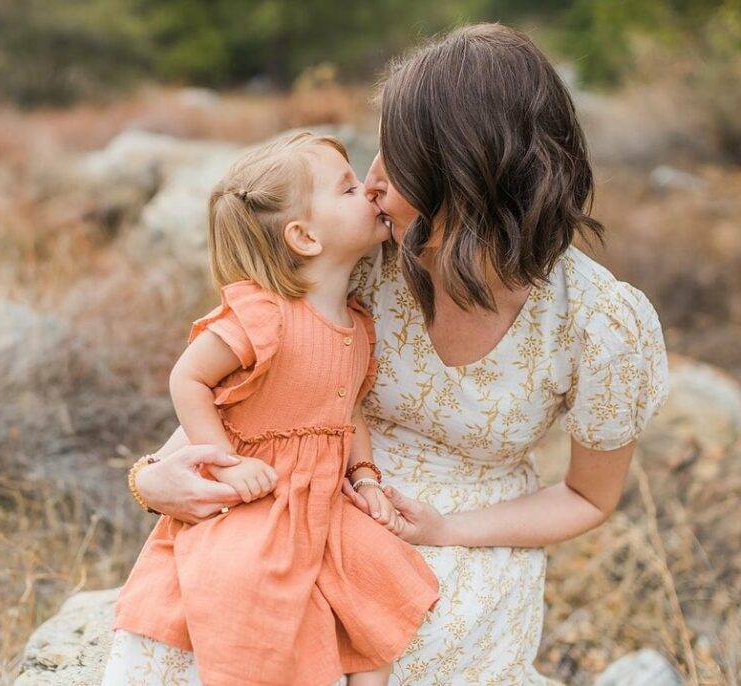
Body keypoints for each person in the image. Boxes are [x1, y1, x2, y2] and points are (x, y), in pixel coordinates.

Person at [111, 23, 671, 685]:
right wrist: (152, 479)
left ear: (464, 180)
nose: (372, 182)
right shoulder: (364, 260)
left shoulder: (604, 322)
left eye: (395, 162)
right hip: (304, 501)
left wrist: (447, 531)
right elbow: (266, 388)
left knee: (404, 658)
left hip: (465, 535)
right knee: (192, 649)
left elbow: (588, 497)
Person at [104, 131, 440, 686]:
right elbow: (188, 377)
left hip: (324, 500)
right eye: (349, 187)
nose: (370, 192)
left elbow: (348, 410)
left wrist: (366, 477)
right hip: (259, 496)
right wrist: (223, 458)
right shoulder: (264, 315)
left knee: (380, 577)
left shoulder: (358, 324)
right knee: (243, 586)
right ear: (305, 236)